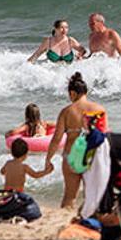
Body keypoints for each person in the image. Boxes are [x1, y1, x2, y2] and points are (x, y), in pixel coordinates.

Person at [45, 72, 109, 209]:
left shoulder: (66, 111)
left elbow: (56, 139)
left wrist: (48, 160)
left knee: (69, 196)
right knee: (91, 195)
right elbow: (104, 136)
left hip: (71, 157)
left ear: (73, 93)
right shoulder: (99, 110)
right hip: (92, 157)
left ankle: (65, 224)